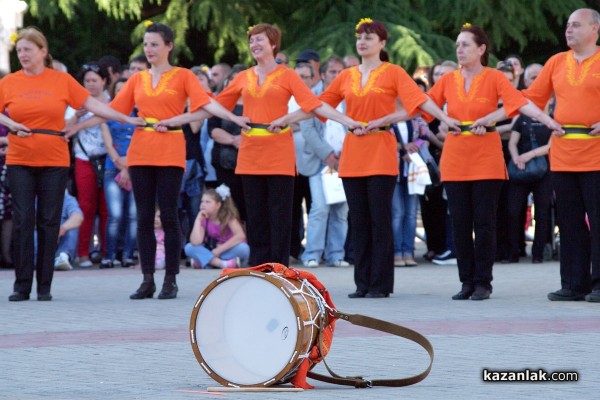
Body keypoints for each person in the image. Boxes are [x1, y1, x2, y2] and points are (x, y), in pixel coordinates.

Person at [66, 23, 249, 300]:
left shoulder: (183, 76)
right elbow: (112, 111)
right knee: (143, 217)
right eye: (146, 44)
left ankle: (170, 279)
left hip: (170, 151)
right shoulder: (136, 80)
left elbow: (205, 106)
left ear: (169, 46)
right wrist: (76, 125)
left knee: (169, 214)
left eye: (154, 44)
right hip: (140, 152)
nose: (149, 49)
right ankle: (147, 279)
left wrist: (234, 118)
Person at [162, 23, 361, 267]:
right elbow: (213, 105)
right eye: (252, 41)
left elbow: (313, 105)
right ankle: (258, 272)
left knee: (280, 218)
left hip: (279, 153)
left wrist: (347, 120)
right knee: (255, 219)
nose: (254, 45)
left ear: (273, 45)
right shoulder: (244, 77)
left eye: (260, 40)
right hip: (250, 154)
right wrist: (176, 120)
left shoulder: (287, 74)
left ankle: (279, 274)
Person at [314, 18, 460, 298]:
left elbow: (418, 102)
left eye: (369, 37)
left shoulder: (392, 72)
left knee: (380, 219)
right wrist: (345, 119)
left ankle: (380, 284)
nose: (362, 41)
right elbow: (320, 105)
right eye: (359, 37)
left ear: (382, 43)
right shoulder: (346, 75)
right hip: (353, 151)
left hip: (381, 149)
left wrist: (442, 116)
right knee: (358, 219)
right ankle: (363, 283)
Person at [1, 27, 143, 301]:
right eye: (19, 50)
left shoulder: (62, 80)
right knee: (22, 220)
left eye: (28, 49)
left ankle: (44, 286)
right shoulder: (9, 82)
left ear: (43, 51)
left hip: (54, 159)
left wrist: (126, 118)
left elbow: (93, 105)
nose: (22, 55)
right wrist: (10, 123)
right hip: (20, 159)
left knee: (49, 220)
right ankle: (21, 285)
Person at [426, 23, 561, 301]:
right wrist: (443, 120)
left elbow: (518, 103)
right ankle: (466, 281)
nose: (459, 50)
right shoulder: (448, 79)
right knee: (461, 223)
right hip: (454, 157)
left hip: (485, 156)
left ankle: (483, 282)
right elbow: (425, 104)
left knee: (484, 222)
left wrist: (546, 120)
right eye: (458, 45)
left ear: (481, 49)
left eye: (465, 45)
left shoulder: (494, 77)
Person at [521, 8, 600, 302]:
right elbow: (530, 99)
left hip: (596, 153)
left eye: (576, 25)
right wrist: (546, 120)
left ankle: (598, 283)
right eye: (567, 25)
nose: (569, 30)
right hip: (564, 152)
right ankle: (573, 283)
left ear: (595, 29)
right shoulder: (556, 62)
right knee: (568, 221)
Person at [299, 56, 349, 268]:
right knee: (320, 208)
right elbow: (308, 130)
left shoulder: (350, 99)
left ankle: (336, 254)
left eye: (340, 72)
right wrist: (327, 154)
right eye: (332, 72)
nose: (336, 76)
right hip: (321, 161)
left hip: (346, 161)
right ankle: (312, 254)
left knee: (341, 210)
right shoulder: (313, 98)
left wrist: (344, 155)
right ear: (323, 75)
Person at [506, 63, 553, 264]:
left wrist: (530, 155)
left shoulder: (552, 119)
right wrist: (517, 157)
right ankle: (514, 251)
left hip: (543, 170)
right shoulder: (522, 117)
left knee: (542, 212)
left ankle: (538, 253)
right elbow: (512, 142)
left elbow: (552, 145)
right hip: (520, 169)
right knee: (514, 210)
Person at [68, 62, 111, 268]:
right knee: (85, 206)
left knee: (107, 208)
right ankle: (83, 253)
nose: (91, 84)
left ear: (104, 81)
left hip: (109, 160)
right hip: (84, 159)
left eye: (95, 80)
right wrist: (76, 114)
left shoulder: (114, 101)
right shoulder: (76, 103)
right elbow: (64, 129)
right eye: (87, 81)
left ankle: (106, 253)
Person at [102, 77, 137, 269]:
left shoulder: (140, 113)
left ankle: (128, 255)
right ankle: (109, 256)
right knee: (115, 214)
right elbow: (108, 144)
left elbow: (141, 143)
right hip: (112, 168)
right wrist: (121, 165)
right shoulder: (107, 113)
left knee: (133, 215)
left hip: (136, 168)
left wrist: (129, 167)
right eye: (119, 90)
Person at [185, 185, 249, 269]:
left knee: (243, 248)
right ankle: (222, 264)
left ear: (218, 205)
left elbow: (240, 236)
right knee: (189, 248)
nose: (203, 205)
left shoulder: (228, 217)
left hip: (226, 249)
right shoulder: (204, 218)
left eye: (208, 202)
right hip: (212, 251)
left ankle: (207, 262)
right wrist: (198, 220)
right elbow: (196, 242)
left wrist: (219, 250)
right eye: (202, 201)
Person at [54, 190, 84, 271]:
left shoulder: (67, 199)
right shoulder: (35, 198)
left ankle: (63, 257)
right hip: (41, 238)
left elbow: (78, 217)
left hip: (61, 239)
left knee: (72, 228)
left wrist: (62, 228)